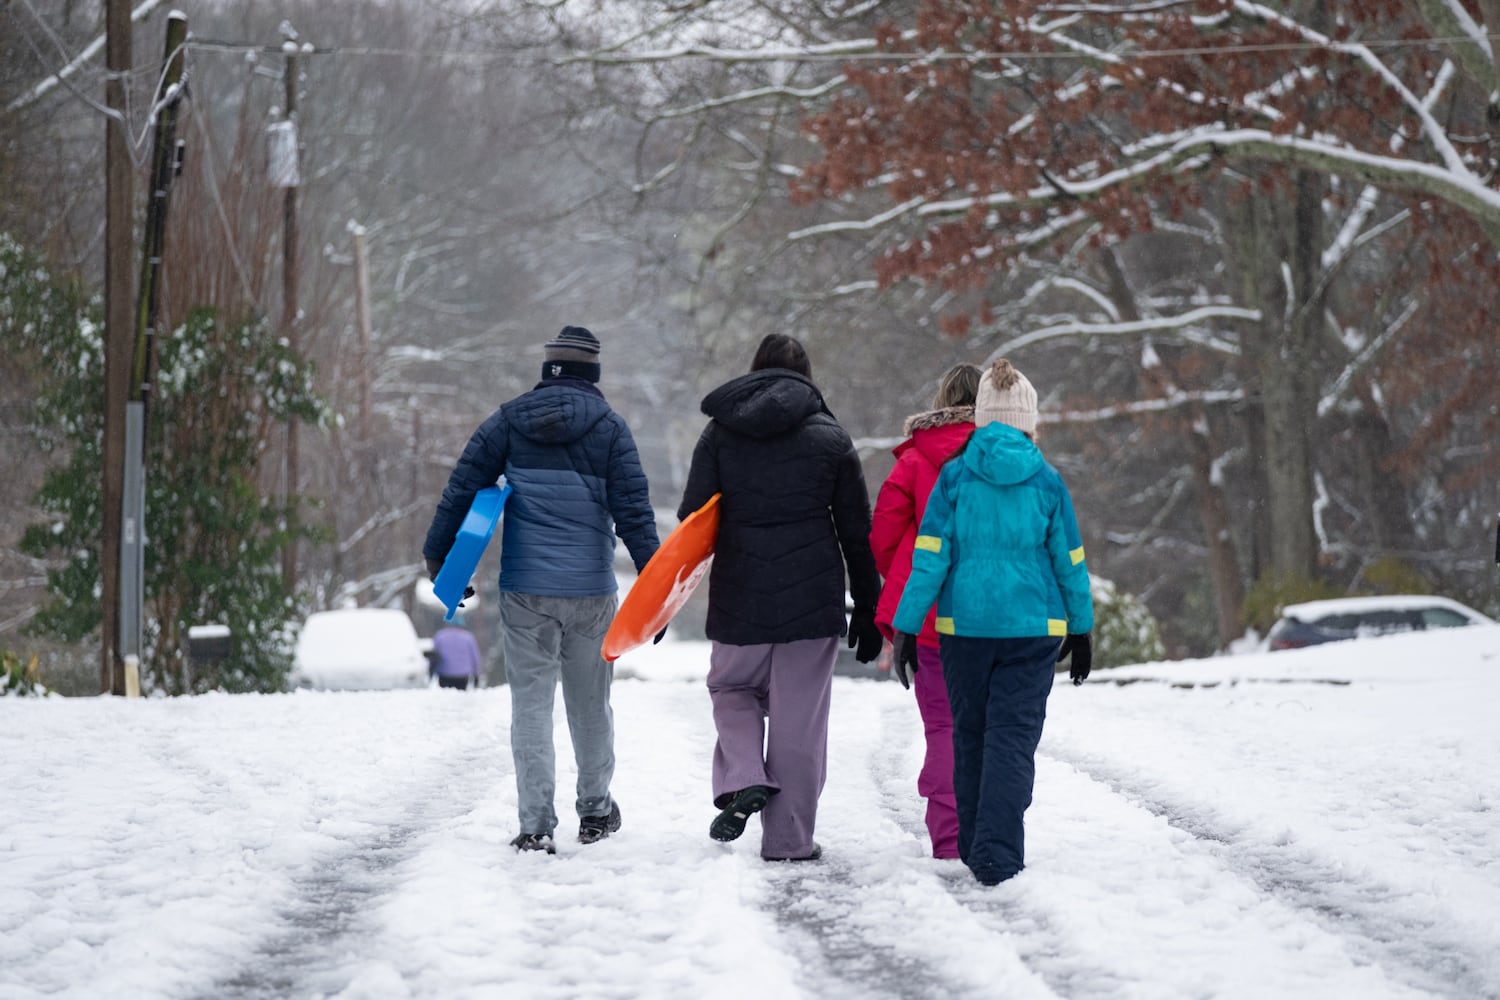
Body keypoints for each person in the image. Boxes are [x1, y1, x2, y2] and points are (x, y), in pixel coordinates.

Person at [422, 326, 659, 855]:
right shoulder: (611, 431)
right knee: (590, 706)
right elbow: (635, 517)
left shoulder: (506, 423)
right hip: (591, 592)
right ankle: (596, 811)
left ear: (548, 368)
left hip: (525, 590)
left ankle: (535, 824)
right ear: (592, 373)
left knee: (530, 707)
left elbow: (461, 490)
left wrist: (441, 561)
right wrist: (658, 592)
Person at [677, 333, 884, 862]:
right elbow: (856, 532)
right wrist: (868, 606)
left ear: (754, 373)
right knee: (799, 721)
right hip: (811, 602)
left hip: (739, 595)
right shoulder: (831, 438)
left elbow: (692, 523)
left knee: (731, 688)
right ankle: (790, 842)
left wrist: (669, 596)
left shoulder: (720, 435)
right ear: (807, 377)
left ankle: (746, 773)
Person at [891, 358, 1093, 886]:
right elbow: (1069, 560)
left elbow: (930, 556)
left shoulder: (955, 478)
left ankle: (977, 843)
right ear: (1028, 421)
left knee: (971, 736)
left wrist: (909, 626)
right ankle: (998, 853)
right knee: (1013, 738)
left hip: (966, 630)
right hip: (1033, 630)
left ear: (981, 417)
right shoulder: (1047, 481)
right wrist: (1082, 626)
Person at [869, 362, 981, 860]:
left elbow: (882, 537)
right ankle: (992, 828)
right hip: (994, 614)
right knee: (991, 725)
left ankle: (950, 838)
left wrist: (910, 574)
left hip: (931, 616)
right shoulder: (1011, 456)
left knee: (943, 725)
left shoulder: (914, 461)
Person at [431, 618, 483, 690]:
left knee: (445, 696)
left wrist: (431, 672)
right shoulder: (468, 637)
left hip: (444, 674)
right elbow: (475, 657)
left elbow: (434, 656)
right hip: (462, 675)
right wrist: (476, 674)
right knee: (460, 696)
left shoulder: (439, 636)